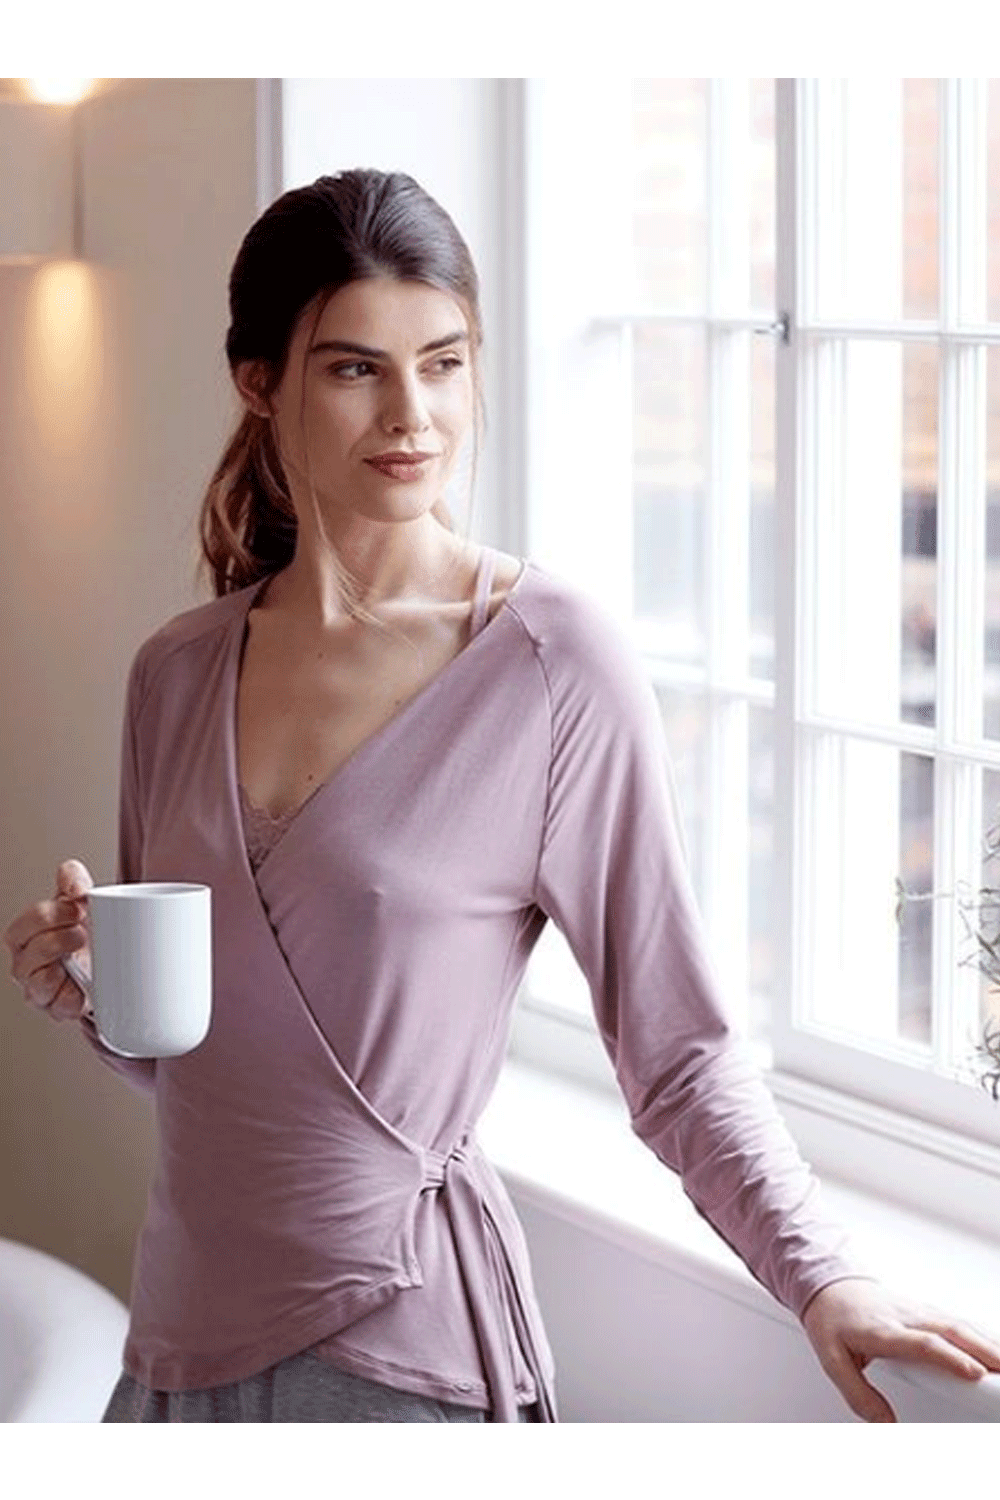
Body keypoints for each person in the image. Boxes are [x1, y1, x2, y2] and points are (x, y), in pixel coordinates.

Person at [5, 168, 1000, 1424]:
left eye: (445, 360)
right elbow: (221, 1067)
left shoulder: (551, 664)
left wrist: (820, 1276)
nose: (412, 412)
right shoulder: (176, 673)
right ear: (260, 384)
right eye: (354, 368)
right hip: (174, 1348)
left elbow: (678, 1052)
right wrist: (89, 996)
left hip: (400, 1356)